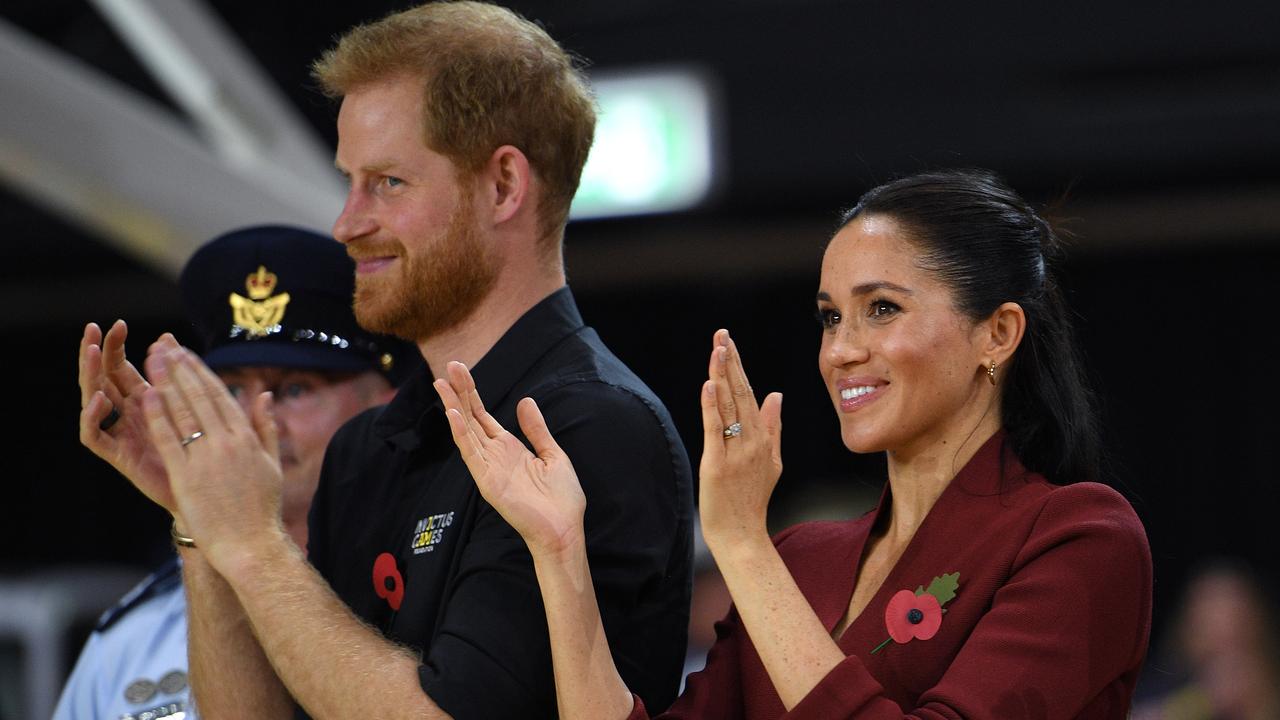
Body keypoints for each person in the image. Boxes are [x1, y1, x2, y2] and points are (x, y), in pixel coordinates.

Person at [76, 3, 694, 718]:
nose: (347, 224)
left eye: (388, 183)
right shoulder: (369, 449)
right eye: (349, 182)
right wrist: (202, 519)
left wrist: (252, 540)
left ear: (503, 186)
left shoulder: (589, 427)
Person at [435, 169, 1154, 718]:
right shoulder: (802, 558)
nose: (841, 350)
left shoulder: (1081, 536)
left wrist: (741, 542)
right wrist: (560, 550)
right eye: (829, 317)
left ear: (996, 334)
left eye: (881, 310)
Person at [59, 224, 414, 720]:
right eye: (230, 392)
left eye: (294, 389)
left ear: (387, 403)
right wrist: (194, 519)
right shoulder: (132, 640)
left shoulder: (430, 596)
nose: (254, 422)